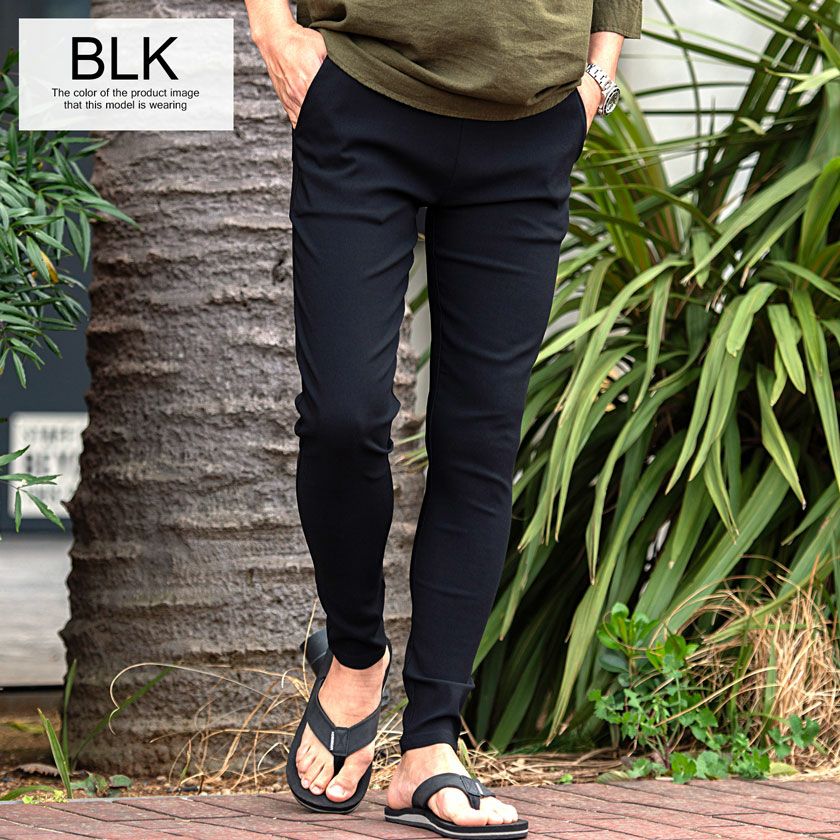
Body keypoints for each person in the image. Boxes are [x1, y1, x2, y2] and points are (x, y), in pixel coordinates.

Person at [242, 0, 641, 836]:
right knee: (344, 416)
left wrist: (597, 79)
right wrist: (274, 30)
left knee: (479, 442)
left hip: (532, 121)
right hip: (364, 92)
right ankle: (356, 652)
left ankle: (430, 743)